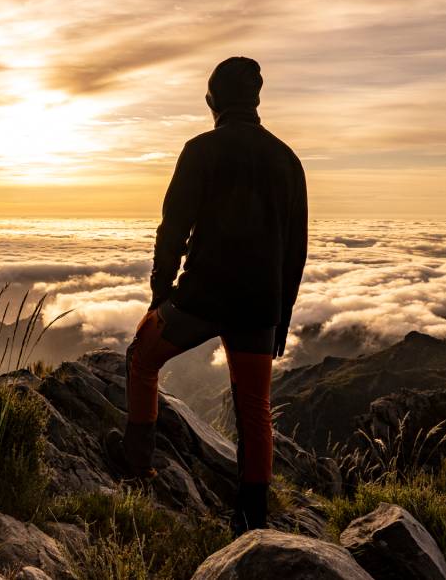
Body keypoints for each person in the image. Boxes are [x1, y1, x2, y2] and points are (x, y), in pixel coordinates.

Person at [104, 56, 308, 536]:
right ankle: (251, 518)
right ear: (255, 101)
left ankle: (137, 464)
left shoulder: (200, 151)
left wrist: (159, 296)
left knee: (141, 357)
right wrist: (282, 318)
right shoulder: (288, 161)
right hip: (260, 305)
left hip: (201, 296)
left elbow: (172, 230)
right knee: (254, 408)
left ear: (212, 101)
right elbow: (294, 251)